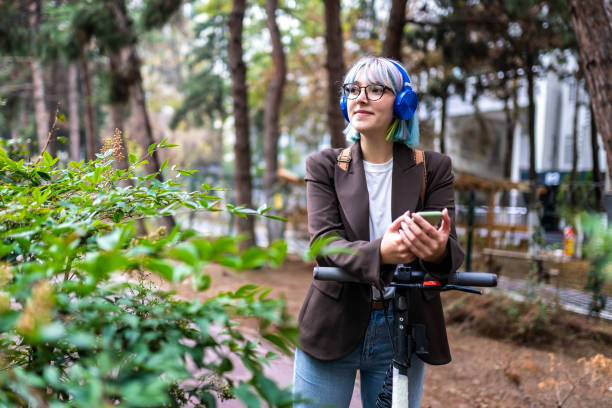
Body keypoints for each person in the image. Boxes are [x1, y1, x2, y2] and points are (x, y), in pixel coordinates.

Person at [292, 56, 465, 408]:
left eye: (375, 89)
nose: (361, 97)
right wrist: (381, 253)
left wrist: (435, 250)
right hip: (332, 322)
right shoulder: (325, 165)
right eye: (353, 90)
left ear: (403, 103)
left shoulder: (433, 168)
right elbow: (324, 243)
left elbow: (451, 252)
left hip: (401, 323)